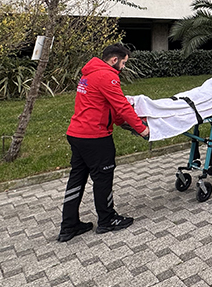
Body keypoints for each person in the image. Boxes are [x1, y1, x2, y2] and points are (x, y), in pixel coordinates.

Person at [57, 43, 149, 242]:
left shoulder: (88, 74)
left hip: (76, 133)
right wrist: (143, 129)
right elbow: (123, 106)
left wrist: (119, 123)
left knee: (77, 179)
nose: (124, 67)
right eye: (123, 63)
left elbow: (105, 106)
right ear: (114, 60)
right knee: (103, 178)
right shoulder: (107, 76)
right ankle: (107, 220)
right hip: (95, 137)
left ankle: (68, 226)